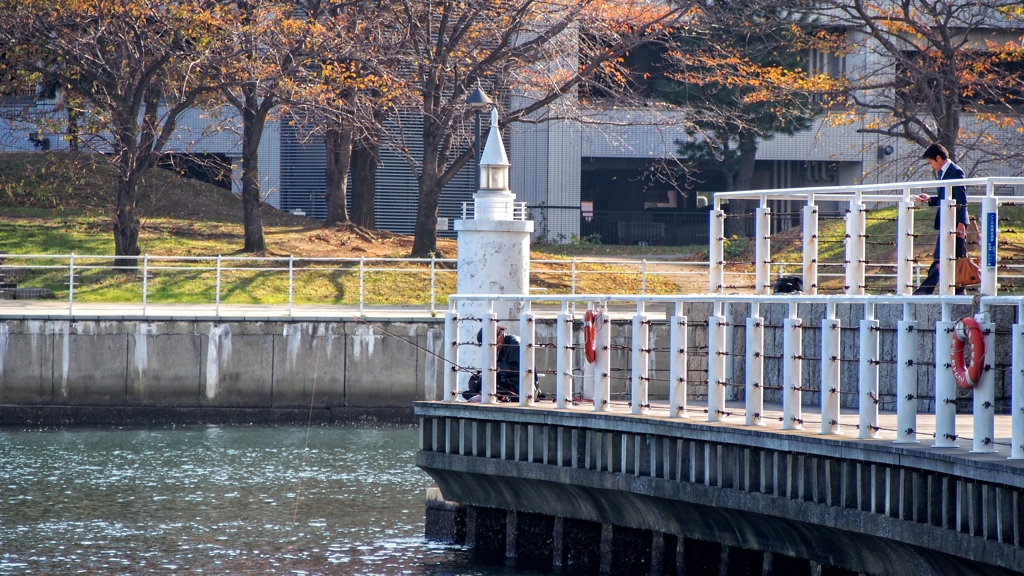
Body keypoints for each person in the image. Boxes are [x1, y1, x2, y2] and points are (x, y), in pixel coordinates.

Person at [913, 143, 968, 295]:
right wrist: (930, 199)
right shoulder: (943, 173)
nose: (931, 166)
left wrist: (962, 223)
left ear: (938, 158)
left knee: (944, 257)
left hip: (955, 223)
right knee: (954, 257)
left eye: (931, 162)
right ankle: (959, 291)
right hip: (947, 222)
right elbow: (946, 198)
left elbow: (962, 199)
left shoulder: (955, 172)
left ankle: (925, 290)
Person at [462, 325, 524, 402]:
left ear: (499, 335)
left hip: (517, 386)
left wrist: (494, 368)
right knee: (475, 379)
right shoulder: (500, 345)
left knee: (489, 382)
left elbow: (516, 369)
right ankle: (481, 393)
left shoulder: (515, 343)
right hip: (504, 380)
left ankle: (482, 394)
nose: (491, 348)